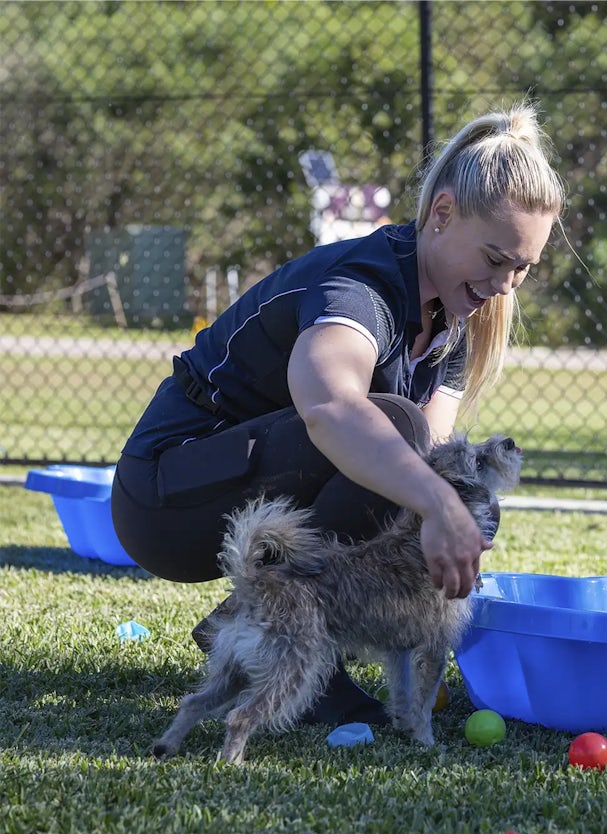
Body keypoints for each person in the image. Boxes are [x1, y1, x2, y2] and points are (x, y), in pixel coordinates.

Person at [111, 102, 566, 725]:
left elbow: (428, 464)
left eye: (522, 268)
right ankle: (303, 651)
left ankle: (248, 625)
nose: (506, 284)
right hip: (165, 498)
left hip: (241, 486)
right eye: (494, 259)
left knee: (434, 471)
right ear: (442, 214)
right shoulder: (360, 286)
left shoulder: (453, 318)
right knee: (397, 434)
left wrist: (453, 510)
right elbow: (329, 408)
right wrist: (439, 505)